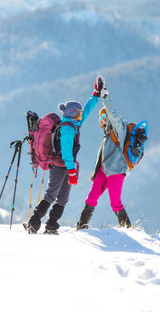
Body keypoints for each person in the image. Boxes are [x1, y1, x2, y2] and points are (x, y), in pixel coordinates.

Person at [24, 76, 104, 234]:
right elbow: (67, 153)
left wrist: (95, 95)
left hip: (66, 166)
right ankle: (33, 223)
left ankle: (51, 226)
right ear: (73, 114)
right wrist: (72, 171)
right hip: (60, 166)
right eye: (79, 114)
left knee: (63, 198)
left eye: (81, 114)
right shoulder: (67, 129)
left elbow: (87, 110)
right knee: (51, 195)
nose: (81, 116)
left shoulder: (74, 123)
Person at [77, 79, 132, 230]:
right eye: (100, 118)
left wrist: (105, 97)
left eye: (103, 117)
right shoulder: (107, 134)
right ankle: (81, 226)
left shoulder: (118, 127)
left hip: (116, 170)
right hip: (103, 169)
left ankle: (128, 228)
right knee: (91, 197)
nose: (101, 121)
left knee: (115, 203)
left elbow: (112, 113)